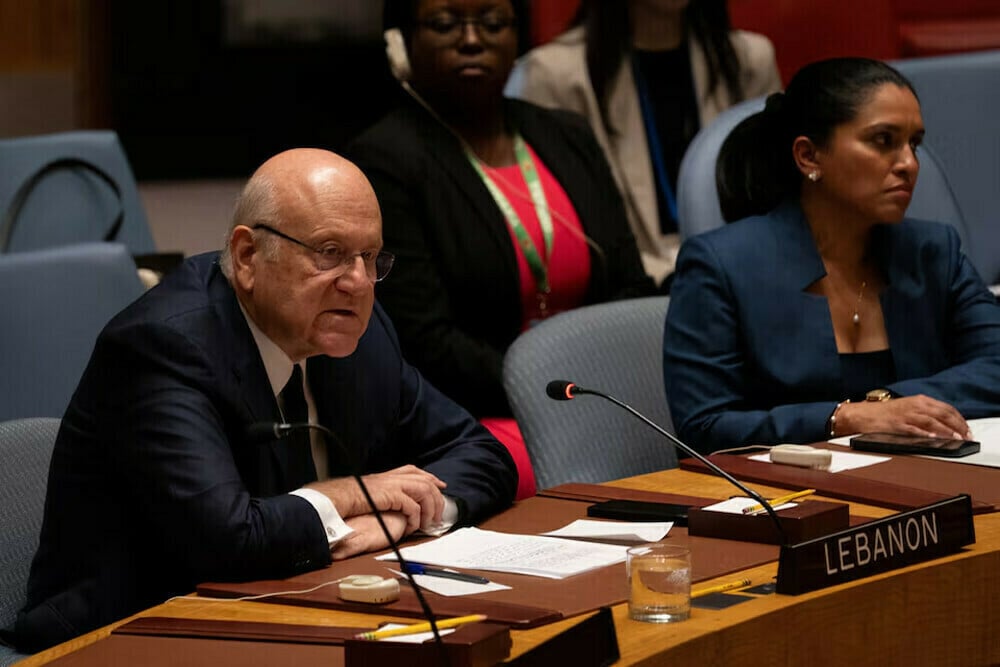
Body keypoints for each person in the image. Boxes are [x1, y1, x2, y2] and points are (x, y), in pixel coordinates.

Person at [10, 148, 517, 653]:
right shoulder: (162, 349)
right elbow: (229, 541)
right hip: (123, 636)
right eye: (330, 252)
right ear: (249, 256)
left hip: (286, 608)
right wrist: (357, 495)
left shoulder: (358, 335)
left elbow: (483, 454)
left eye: (370, 257)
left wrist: (404, 517)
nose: (358, 283)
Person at [348, 0, 654, 498]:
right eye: (446, 25)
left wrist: (605, 387)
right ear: (402, 45)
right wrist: (554, 390)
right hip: (478, 415)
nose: (472, 39)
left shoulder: (567, 135)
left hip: (601, 400)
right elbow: (427, 341)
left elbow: (629, 284)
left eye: (493, 23)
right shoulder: (385, 160)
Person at [663, 57, 1000, 455]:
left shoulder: (934, 251)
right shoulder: (720, 265)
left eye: (914, 143)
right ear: (809, 157)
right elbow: (703, 425)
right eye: (883, 141)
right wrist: (844, 418)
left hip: (923, 480)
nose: (910, 164)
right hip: (786, 498)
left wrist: (884, 405)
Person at [506, 0, 781, 288]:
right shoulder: (554, 75)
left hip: (742, 279)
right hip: (629, 290)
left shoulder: (748, 61)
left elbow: (776, 203)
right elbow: (568, 229)